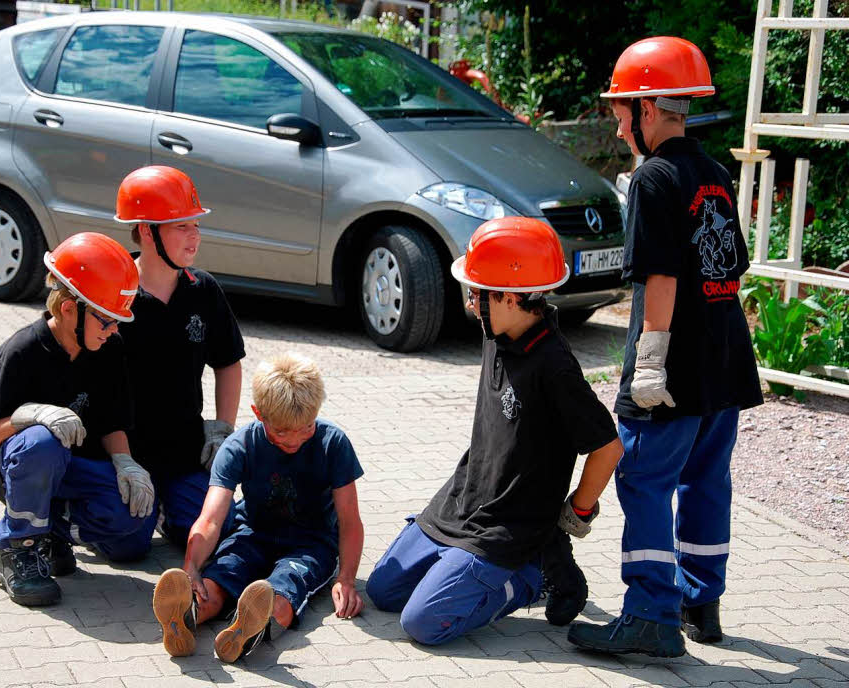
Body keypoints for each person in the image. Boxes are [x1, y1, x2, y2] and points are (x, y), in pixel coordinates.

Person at [567, 37, 762, 657]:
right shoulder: (715, 174)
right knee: (707, 478)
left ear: (648, 108)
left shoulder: (653, 179)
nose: (619, 124)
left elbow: (662, 277)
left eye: (622, 110)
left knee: (645, 479)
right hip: (726, 359)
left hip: (673, 366)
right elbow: (735, 264)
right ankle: (702, 603)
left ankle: (652, 610)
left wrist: (649, 361)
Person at [365, 218, 623, 645]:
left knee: (423, 623)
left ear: (510, 297)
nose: (470, 302)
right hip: (462, 501)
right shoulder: (498, 328)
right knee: (383, 591)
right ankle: (465, 568)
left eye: (477, 292)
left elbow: (608, 448)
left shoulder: (555, 366)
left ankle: (535, 573)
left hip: (510, 527)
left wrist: (573, 515)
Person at [0, 232, 154, 606]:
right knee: (42, 442)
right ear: (69, 308)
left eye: (117, 321)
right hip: (19, 467)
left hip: (69, 467)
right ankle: (18, 548)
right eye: (105, 320)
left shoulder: (107, 348)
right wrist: (26, 417)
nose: (114, 329)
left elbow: (113, 419)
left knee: (134, 527)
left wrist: (126, 463)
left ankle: (52, 533)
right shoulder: (20, 353)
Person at [151, 353, 365, 662]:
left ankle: (247, 631)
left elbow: (349, 521)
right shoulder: (239, 446)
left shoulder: (333, 443)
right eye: (281, 432)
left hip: (311, 544)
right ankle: (184, 618)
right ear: (257, 413)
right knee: (216, 580)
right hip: (252, 533)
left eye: (305, 428)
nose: (294, 440)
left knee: (282, 592)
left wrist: (346, 579)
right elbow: (210, 519)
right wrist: (192, 567)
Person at [109, 166, 245, 560]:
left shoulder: (204, 291)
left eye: (196, 225)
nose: (194, 236)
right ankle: (67, 518)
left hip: (184, 450)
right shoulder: (113, 292)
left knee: (212, 531)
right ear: (147, 232)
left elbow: (228, 363)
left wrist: (223, 430)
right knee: (127, 546)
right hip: (126, 453)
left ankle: (169, 510)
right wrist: (120, 459)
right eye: (180, 226)